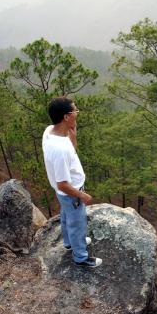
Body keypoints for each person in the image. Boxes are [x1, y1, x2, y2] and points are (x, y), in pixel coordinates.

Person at [42, 96, 102, 268]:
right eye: (75, 110)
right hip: (70, 192)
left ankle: (69, 243)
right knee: (78, 223)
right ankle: (81, 258)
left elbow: (71, 153)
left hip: (62, 194)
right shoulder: (59, 149)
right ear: (66, 117)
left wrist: (73, 136)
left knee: (66, 216)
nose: (77, 112)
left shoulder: (50, 132)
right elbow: (63, 184)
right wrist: (81, 195)